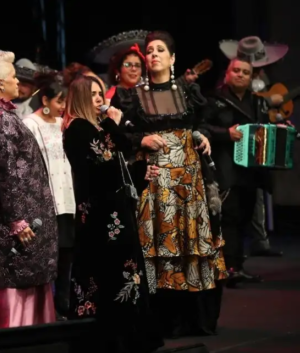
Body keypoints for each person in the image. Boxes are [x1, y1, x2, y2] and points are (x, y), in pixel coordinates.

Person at [112, 30, 227, 338]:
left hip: (190, 179)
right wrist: (142, 139)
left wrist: (202, 134)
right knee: (159, 244)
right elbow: (117, 134)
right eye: (150, 51)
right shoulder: (130, 95)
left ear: (173, 58)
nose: (154, 55)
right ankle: (162, 320)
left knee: (191, 243)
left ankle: (195, 318)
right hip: (155, 180)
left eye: (160, 50)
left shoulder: (188, 91)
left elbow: (205, 121)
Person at [63, 75, 163, 352]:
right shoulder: (78, 129)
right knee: (106, 274)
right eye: (93, 94)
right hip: (99, 218)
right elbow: (103, 158)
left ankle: (128, 337)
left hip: (113, 213)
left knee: (123, 273)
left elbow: (113, 170)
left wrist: (140, 174)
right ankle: (108, 339)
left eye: (100, 93)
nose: (100, 99)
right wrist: (112, 123)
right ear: (81, 98)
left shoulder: (94, 128)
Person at [0, 51, 58, 331]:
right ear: (1, 84)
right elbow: (7, 173)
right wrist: (17, 220)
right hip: (15, 221)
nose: (19, 81)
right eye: (14, 77)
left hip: (19, 213)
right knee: (15, 276)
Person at [203, 56, 285, 287]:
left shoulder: (257, 102)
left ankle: (236, 267)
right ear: (227, 74)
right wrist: (225, 133)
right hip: (225, 168)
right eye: (236, 70)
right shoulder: (214, 100)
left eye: (245, 72)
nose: (240, 75)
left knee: (244, 219)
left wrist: (275, 130)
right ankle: (225, 268)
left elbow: (263, 128)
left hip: (251, 170)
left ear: (251, 78)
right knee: (227, 219)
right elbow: (201, 128)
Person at [219, 36, 286, 258]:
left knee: (255, 198)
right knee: (231, 208)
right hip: (230, 153)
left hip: (255, 151)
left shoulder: (261, 80)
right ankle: (233, 253)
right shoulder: (224, 90)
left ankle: (255, 243)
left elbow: (265, 112)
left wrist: (276, 120)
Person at [23, 73, 73, 320]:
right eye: (59, 102)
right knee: (46, 256)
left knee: (66, 255)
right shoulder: (30, 124)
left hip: (68, 198)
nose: (63, 107)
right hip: (44, 200)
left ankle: (63, 305)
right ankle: (42, 311)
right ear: (45, 99)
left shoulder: (65, 123)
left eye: (65, 103)